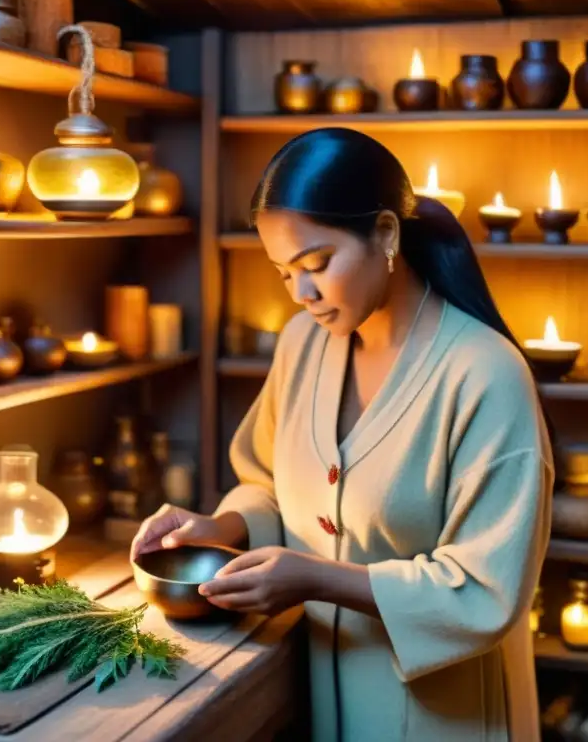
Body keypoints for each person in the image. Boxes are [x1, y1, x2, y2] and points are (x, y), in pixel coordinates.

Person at [131, 128, 553, 742]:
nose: (303, 295)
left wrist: (317, 579)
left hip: (444, 713)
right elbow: (268, 483)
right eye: (283, 274)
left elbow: (488, 585)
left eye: (317, 264)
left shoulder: (485, 373)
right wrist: (223, 529)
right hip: (321, 690)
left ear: (385, 233)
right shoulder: (303, 346)